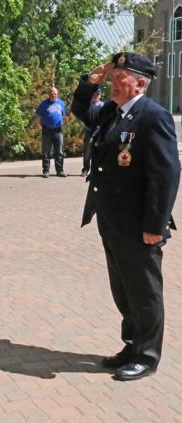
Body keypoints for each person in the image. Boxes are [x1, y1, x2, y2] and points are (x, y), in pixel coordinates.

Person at [71, 52, 180, 381]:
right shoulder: (110, 113)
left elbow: (166, 174)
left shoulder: (153, 116)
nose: (114, 83)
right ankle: (132, 345)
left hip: (139, 225)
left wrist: (154, 226)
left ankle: (147, 357)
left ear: (140, 83)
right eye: (114, 77)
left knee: (144, 291)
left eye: (121, 78)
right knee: (124, 290)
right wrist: (92, 81)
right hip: (112, 221)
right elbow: (81, 110)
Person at [36, 87, 67, 177]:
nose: (53, 95)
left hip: (58, 130)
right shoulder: (44, 104)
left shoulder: (61, 103)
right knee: (46, 151)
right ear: (49, 94)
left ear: (57, 94)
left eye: (55, 94)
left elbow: (63, 115)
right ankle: (46, 171)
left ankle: (60, 171)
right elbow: (38, 117)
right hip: (47, 130)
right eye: (52, 93)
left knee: (59, 151)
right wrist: (41, 126)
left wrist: (62, 122)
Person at [81, 89, 104, 177]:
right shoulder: (88, 105)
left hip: (99, 131)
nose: (96, 95)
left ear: (100, 95)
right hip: (88, 130)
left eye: (98, 94)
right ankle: (85, 169)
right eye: (95, 94)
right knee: (87, 151)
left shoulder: (102, 105)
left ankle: (96, 171)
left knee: (98, 151)